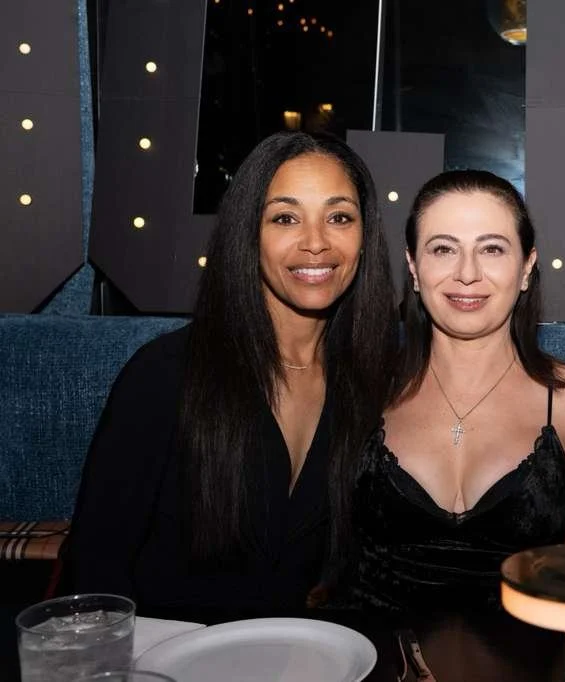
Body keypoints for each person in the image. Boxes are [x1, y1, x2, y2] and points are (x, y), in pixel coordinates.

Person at [65, 131, 396, 611]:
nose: (316, 242)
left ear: (365, 238)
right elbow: (94, 568)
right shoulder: (165, 376)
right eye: (285, 218)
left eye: (339, 217)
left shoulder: (372, 385)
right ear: (248, 235)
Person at [344, 170, 565, 615]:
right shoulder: (364, 389)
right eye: (443, 249)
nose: (467, 274)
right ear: (413, 268)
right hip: (376, 648)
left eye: (492, 249)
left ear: (526, 267)